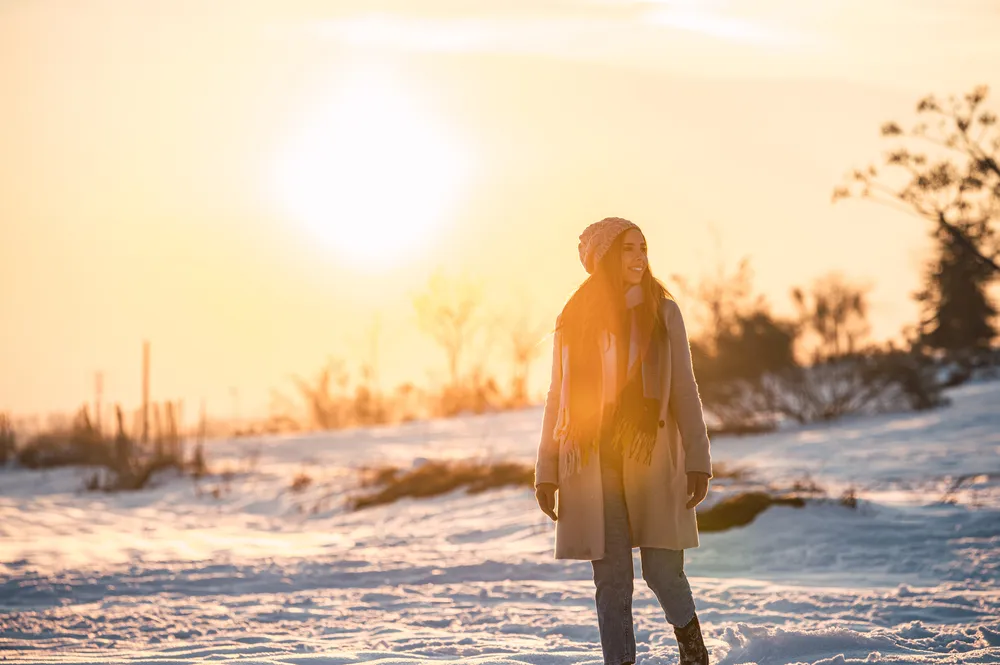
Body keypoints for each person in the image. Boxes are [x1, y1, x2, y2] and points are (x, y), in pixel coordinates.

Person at [533, 217, 713, 665]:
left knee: (662, 570)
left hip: (653, 456)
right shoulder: (573, 320)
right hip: (593, 463)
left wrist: (698, 461)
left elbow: (684, 390)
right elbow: (558, 396)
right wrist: (547, 470)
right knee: (611, 577)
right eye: (628, 249)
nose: (639, 257)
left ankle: (694, 653)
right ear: (604, 259)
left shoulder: (662, 311)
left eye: (643, 248)